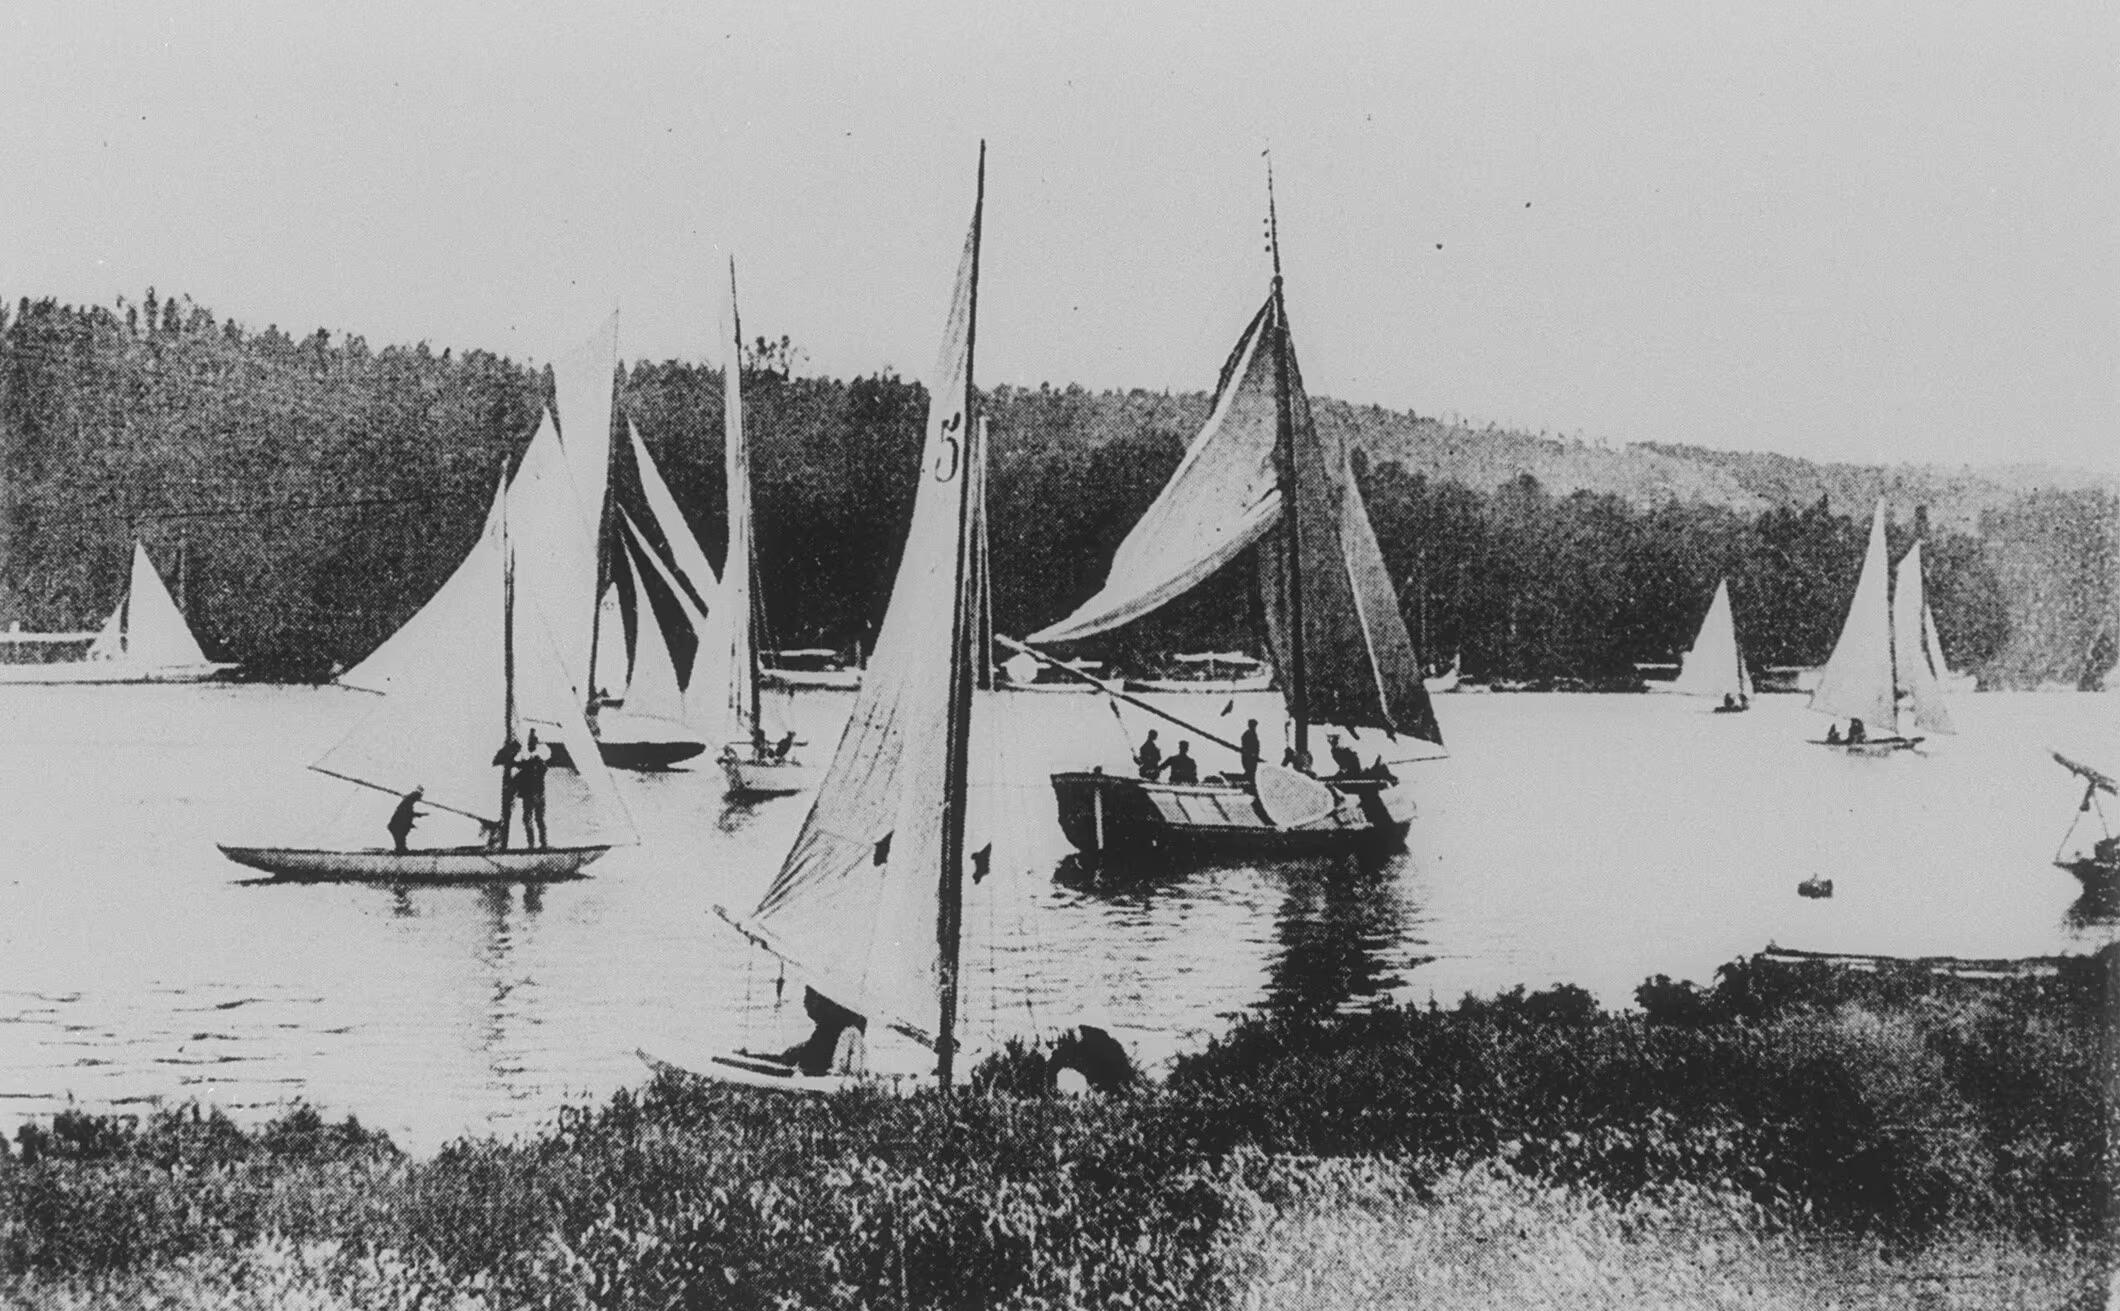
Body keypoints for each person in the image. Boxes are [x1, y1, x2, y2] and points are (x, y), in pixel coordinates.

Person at [777, 987, 868, 1077]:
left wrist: (798, 1054)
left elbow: (813, 1058)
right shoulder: (833, 1025)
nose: (804, 1003)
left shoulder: (830, 1029)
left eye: (808, 998)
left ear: (820, 1002)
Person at [516, 730, 551, 850]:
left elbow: (523, 771)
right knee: (535, 820)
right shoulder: (536, 762)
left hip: (533, 795)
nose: (531, 745)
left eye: (532, 742)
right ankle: (540, 844)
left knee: (531, 819)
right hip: (536, 795)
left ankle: (536, 845)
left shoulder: (535, 762)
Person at [490, 735, 521, 849]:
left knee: (507, 814)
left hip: (508, 790)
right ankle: (501, 844)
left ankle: (501, 843)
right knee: (506, 814)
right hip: (506, 791)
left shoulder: (507, 758)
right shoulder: (506, 757)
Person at [387, 786, 426, 854]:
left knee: (401, 839)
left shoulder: (407, 803)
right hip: (396, 826)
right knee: (400, 838)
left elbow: (408, 814)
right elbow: (408, 814)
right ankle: (401, 850)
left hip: (396, 825)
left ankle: (401, 849)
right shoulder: (407, 803)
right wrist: (420, 814)